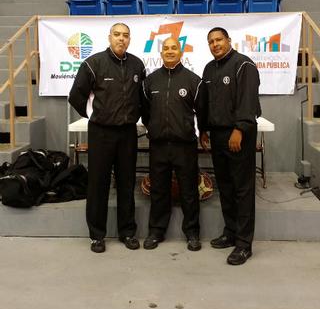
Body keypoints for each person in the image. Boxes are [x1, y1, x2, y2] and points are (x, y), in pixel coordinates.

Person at [68, 23, 145, 253]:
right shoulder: (93, 64)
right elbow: (76, 96)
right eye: (117, 35)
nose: (121, 39)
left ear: (130, 39)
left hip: (128, 133)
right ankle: (97, 236)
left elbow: (142, 97)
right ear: (109, 37)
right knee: (98, 184)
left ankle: (127, 232)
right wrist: (95, 115)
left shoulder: (137, 64)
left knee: (126, 182)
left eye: (125, 36)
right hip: (101, 133)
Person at [200, 27, 261, 265]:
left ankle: (244, 244)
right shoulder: (208, 69)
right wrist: (204, 129)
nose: (215, 44)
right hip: (216, 135)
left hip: (238, 134)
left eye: (219, 40)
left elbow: (248, 100)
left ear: (229, 41)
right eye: (211, 41)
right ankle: (231, 231)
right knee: (225, 185)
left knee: (242, 188)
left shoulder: (243, 65)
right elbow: (205, 103)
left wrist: (239, 129)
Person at [142, 36, 206, 252]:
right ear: (161, 53)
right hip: (158, 145)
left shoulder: (193, 81)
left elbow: (203, 111)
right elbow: (145, 112)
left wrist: (201, 132)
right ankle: (156, 232)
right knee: (158, 190)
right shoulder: (150, 81)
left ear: (181, 52)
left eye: (174, 48)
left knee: (189, 190)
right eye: (166, 48)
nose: (169, 51)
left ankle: (193, 233)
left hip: (184, 145)